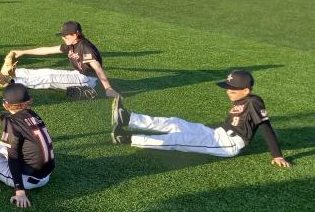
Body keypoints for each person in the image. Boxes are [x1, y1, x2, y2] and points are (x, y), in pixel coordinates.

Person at [112, 70, 291, 168]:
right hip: (216, 133)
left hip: (227, 144)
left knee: (178, 140)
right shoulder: (242, 99)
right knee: (175, 122)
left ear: (246, 90)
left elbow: (266, 126)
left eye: (233, 89)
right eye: (228, 88)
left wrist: (277, 155)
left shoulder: (254, 101)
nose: (229, 92)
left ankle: (126, 138)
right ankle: (128, 118)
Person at [0, 21, 118, 101]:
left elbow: (97, 68)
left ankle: (12, 81)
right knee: (47, 71)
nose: (63, 38)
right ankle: (15, 72)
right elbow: (47, 50)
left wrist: (108, 88)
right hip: (77, 74)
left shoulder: (85, 48)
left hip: (86, 80)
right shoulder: (72, 44)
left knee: (49, 79)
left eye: (66, 36)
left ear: (75, 35)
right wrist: (23, 52)